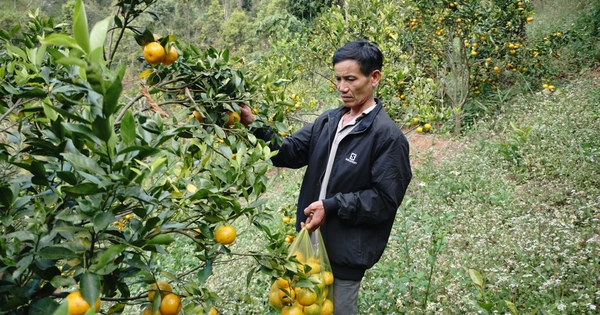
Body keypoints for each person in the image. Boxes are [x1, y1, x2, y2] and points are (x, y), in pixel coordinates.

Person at [240, 40, 412, 314]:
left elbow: (383, 200)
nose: (342, 87)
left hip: (344, 254)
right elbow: (290, 152)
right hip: (309, 247)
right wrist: (254, 126)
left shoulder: (387, 137)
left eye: (351, 79)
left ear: (374, 78)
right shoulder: (329, 121)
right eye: (338, 79)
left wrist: (331, 206)